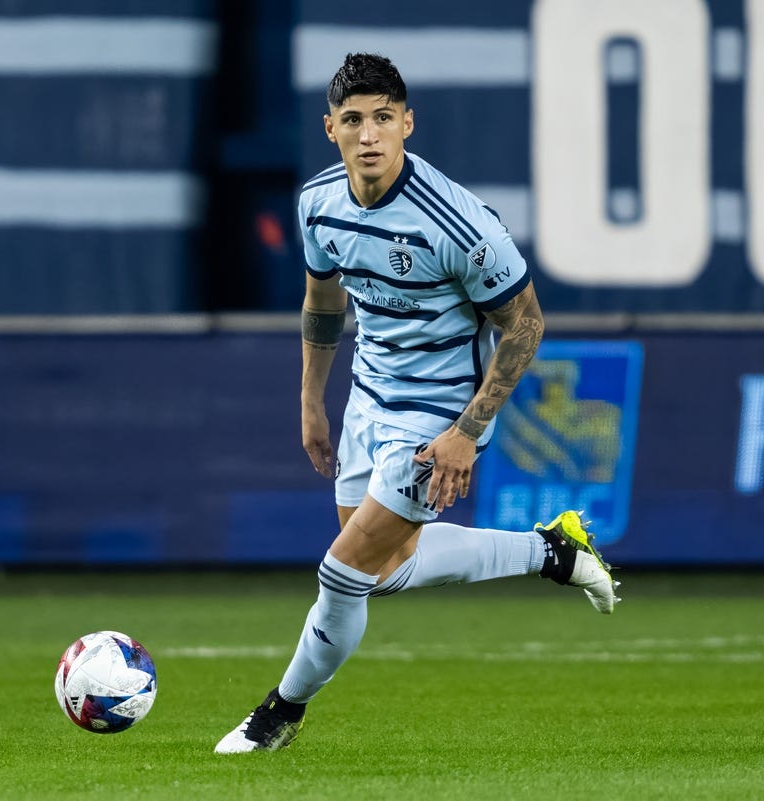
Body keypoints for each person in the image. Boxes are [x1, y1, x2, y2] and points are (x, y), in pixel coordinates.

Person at [214, 52, 620, 754]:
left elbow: (524, 324)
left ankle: (277, 715)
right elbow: (323, 300)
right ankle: (551, 549)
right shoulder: (318, 203)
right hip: (368, 401)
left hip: (439, 419)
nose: (368, 134)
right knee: (387, 570)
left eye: (381, 118)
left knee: (342, 573)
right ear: (329, 129)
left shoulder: (459, 223)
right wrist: (313, 398)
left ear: (407, 122)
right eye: (352, 121)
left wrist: (468, 431)